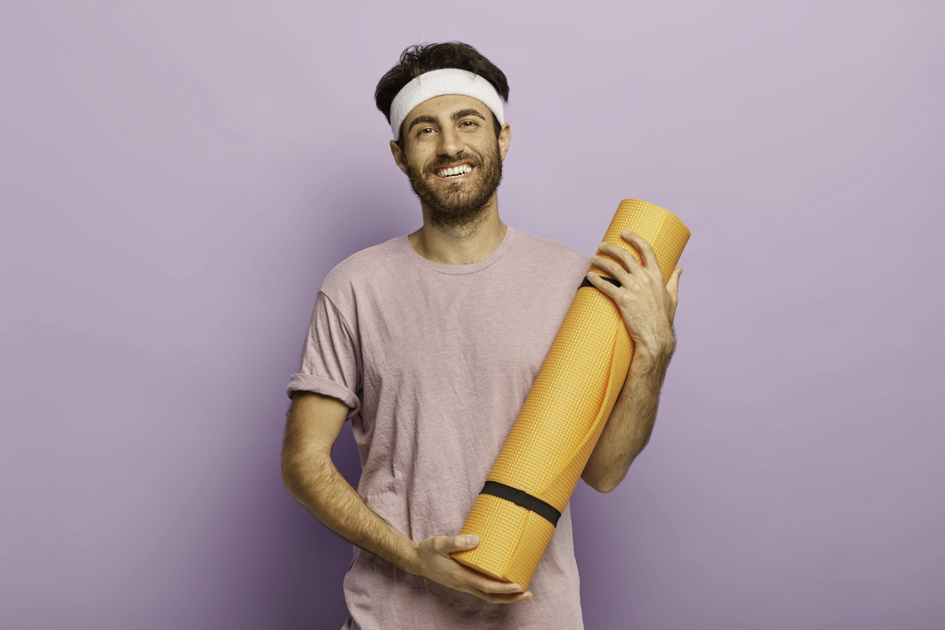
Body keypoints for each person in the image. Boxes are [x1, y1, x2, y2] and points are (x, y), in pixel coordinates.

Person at [281, 41, 682, 630]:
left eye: (468, 123)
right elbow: (304, 462)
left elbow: (604, 471)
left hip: (535, 615)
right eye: (425, 130)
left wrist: (656, 348)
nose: (449, 147)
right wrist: (411, 558)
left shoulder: (579, 282)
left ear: (503, 138)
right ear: (399, 154)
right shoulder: (355, 287)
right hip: (392, 617)